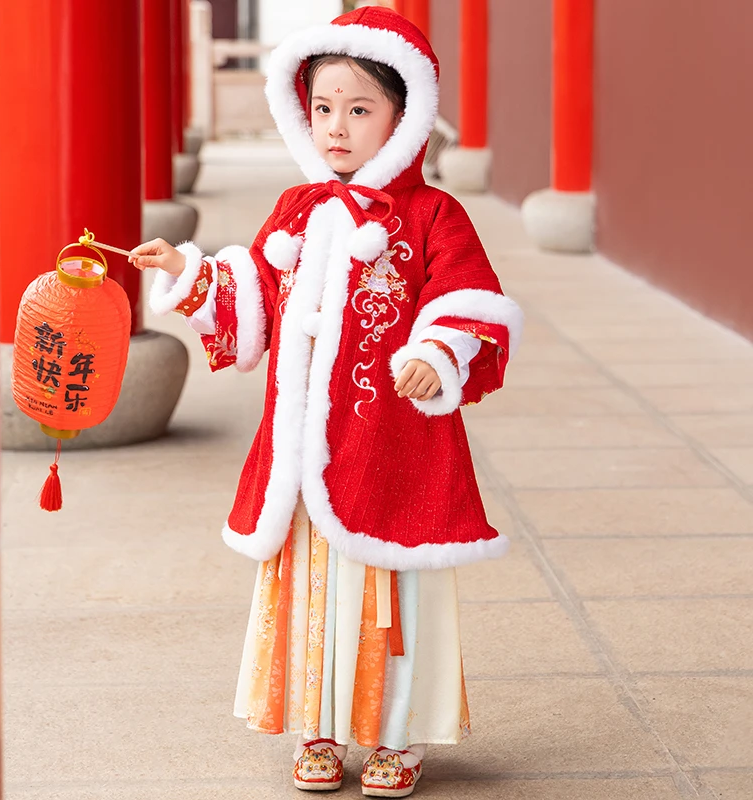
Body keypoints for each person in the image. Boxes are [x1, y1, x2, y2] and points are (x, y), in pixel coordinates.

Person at [131, 6, 523, 797]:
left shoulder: (432, 216)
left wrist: (436, 350)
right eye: (322, 108)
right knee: (313, 583)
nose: (335, 128)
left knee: (390, 587)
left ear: (404, 117)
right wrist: (190, 271)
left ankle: (398, 734)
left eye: (359, 109)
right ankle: (318, 724)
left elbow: (469, 299)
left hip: (393, 444)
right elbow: (257, 310)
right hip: (302, 451)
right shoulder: (297, 213)